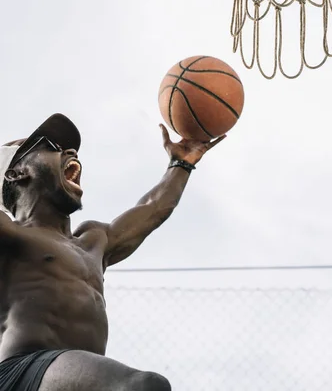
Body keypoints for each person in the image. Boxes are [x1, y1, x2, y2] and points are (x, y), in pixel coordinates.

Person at [0, 113, 224, 390]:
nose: (69, 151)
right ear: (17, 173)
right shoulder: (10, 234)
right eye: (49, 147)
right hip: (21, 374)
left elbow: (153, 209)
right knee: (143, 385)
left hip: (74, 377)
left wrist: (181, 163)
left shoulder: (94, 241)